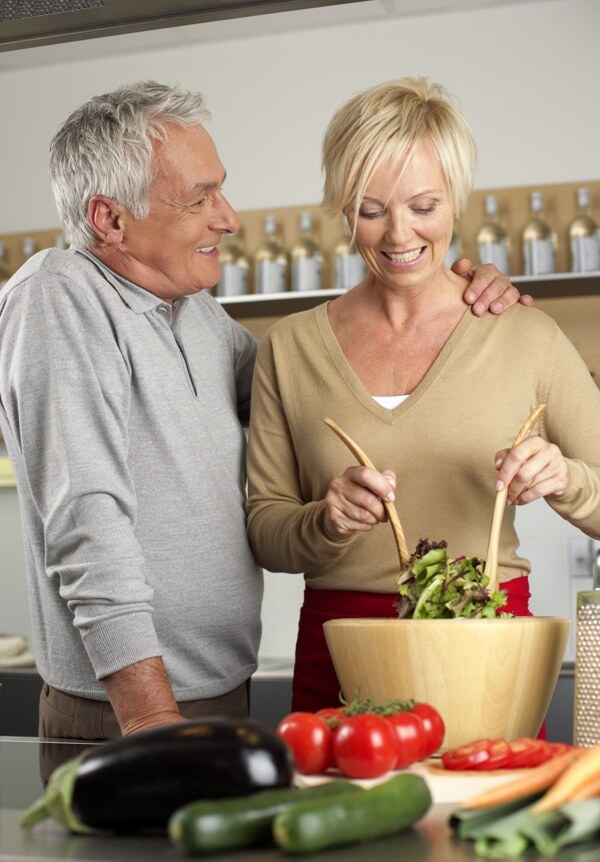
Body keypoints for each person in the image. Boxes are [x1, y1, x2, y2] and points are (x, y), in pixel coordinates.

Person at [0, 81, 527, 742]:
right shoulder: (60, 298)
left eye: (220, 189)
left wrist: (442, 296)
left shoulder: (193, 312)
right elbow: (86, 518)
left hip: (216, 694)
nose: (228, 218)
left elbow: (310, 387)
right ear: (109, 220)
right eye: (199, 199)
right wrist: (149, 713)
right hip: (125, 711)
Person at [246, 77, 600, 715]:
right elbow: (265, 530)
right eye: (371, 208)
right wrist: (324, 520)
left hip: (488, 645)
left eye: (424, 206)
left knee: (487, 814)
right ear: (341, 207)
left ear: (457, 201)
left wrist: (566, 477)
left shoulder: (525, 335)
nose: (398, 233)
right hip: (341, 649)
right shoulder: (289, 347)